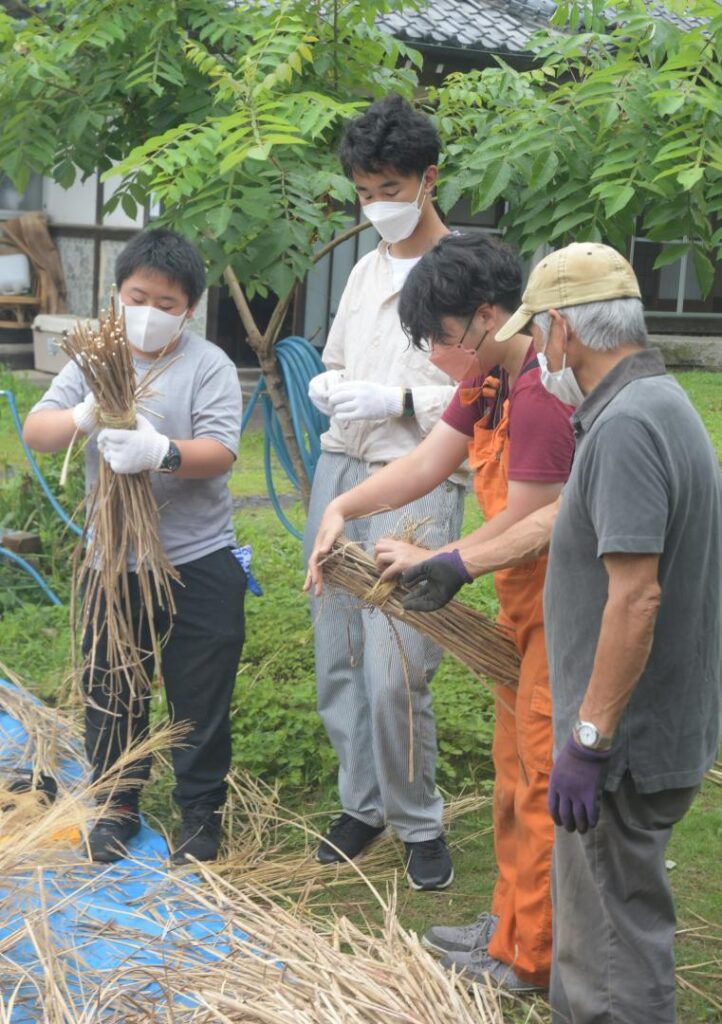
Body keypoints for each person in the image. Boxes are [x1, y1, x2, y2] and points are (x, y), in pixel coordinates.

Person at [400, 242, 722, 1024]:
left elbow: (635, 600)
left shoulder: (625, 429)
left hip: (624, 746)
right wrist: (458, 565)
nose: (538, 351)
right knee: (599, 935)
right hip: (642, 733)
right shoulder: (648, 406)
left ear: (561, 330)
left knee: (614, 950)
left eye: (538, 333)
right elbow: (555, 522)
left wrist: (589, 737)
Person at [307, 231, 576, 991]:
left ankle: (535, 955)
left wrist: (441, 561)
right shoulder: (486, 379)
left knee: (543, 777)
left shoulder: (540, 397)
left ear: (487, 316)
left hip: (564, 610)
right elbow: (426, 463)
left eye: (439, 336)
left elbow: (524, 525)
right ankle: (509, 925)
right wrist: (343, 508)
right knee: (511, 775)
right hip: (521, 613)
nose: (432, 353)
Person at [24, 227, 246, 865]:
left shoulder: (209, 365)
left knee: (198, 695)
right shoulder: (94, 360)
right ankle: (116, 804)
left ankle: (201, 814)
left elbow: (223, 452)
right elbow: (39, 431)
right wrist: (82, 417)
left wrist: (162, 452)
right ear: (116, 294)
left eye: (167, 304)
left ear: (190, 309)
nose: (148, 312)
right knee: (112, 687)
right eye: (137, 296)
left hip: (198, 558)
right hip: (110, 559)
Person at [303, 94, 466, 891]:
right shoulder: (366, 270)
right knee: (337, 648)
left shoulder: (460, 274)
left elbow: (488, 391)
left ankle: (418, 820)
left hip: (419, 476)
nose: (376, 207)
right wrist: (333, 388)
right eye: (364, 192)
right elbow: (337, 356)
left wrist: (402, 401)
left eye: (390, 189)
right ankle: (362, 803)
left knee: (397, 662)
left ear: (428, 179)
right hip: (342, 468)